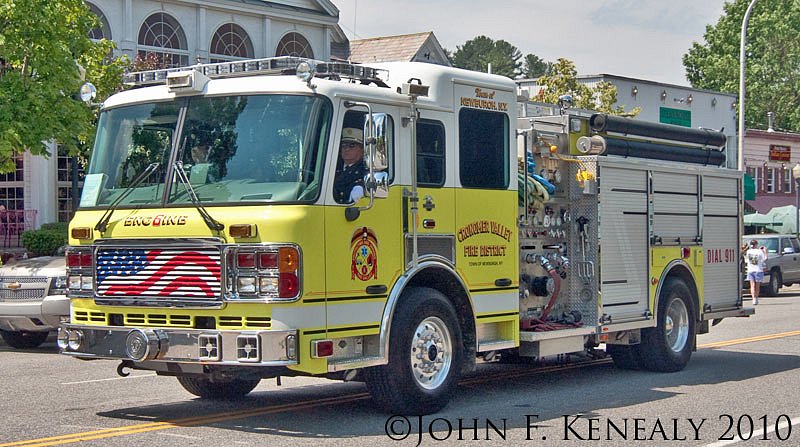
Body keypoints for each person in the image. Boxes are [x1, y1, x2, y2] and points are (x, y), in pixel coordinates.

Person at [333, 127, 368, 203]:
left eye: (352, 146)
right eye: (344, 145)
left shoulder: (364, 170)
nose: (346, 149)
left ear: (362, 150)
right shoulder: (333, 167)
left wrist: (360, 187)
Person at [744, 238, 767, 305]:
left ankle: (753, 298)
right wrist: (765, 251)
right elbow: (765, 259)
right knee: (757, 286)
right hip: (758, 270)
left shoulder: (748, 251)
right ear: (756, 244)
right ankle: (756, 298)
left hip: (750, 270)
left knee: (752, 285)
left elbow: (746, 259)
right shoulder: (759, 251)